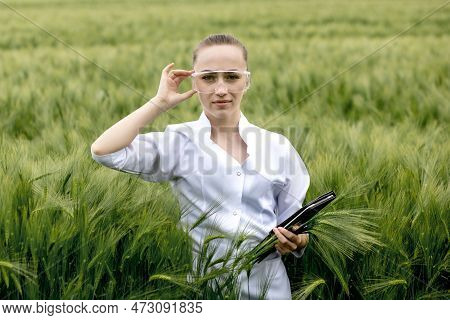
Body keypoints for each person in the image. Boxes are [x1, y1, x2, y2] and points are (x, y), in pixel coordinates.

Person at [91, 34, 310, 299]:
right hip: (207, 290)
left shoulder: (277, 145)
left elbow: (297, 225)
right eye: (208, 77)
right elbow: (104, 151)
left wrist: (296, 241)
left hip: (271, 293)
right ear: (194, 81)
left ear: (247, 81)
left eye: (231, 76)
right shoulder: (178, 142)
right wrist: (159, 102)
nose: (220, 89)